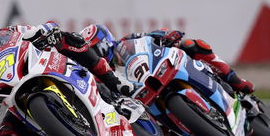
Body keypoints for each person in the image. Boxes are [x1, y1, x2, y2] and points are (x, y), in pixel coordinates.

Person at [0, 18, 133, 136]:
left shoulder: (10, 32)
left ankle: (111, 78)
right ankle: (57, 129)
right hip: (16, 97)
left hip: (38, 66)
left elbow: (35, 31)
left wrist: (46, 32)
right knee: (7, 134)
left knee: (69, 39)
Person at [79, 25, 255, 95]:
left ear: (106, 41)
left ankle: (236, 81)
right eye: (92, 52)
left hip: (162, 67)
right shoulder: (101, 75)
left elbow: (152, 35)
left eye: (97, 49)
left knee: (190, 44)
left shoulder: (126, 41)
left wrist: (167, 35)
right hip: (143, 96)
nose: (97, 54)